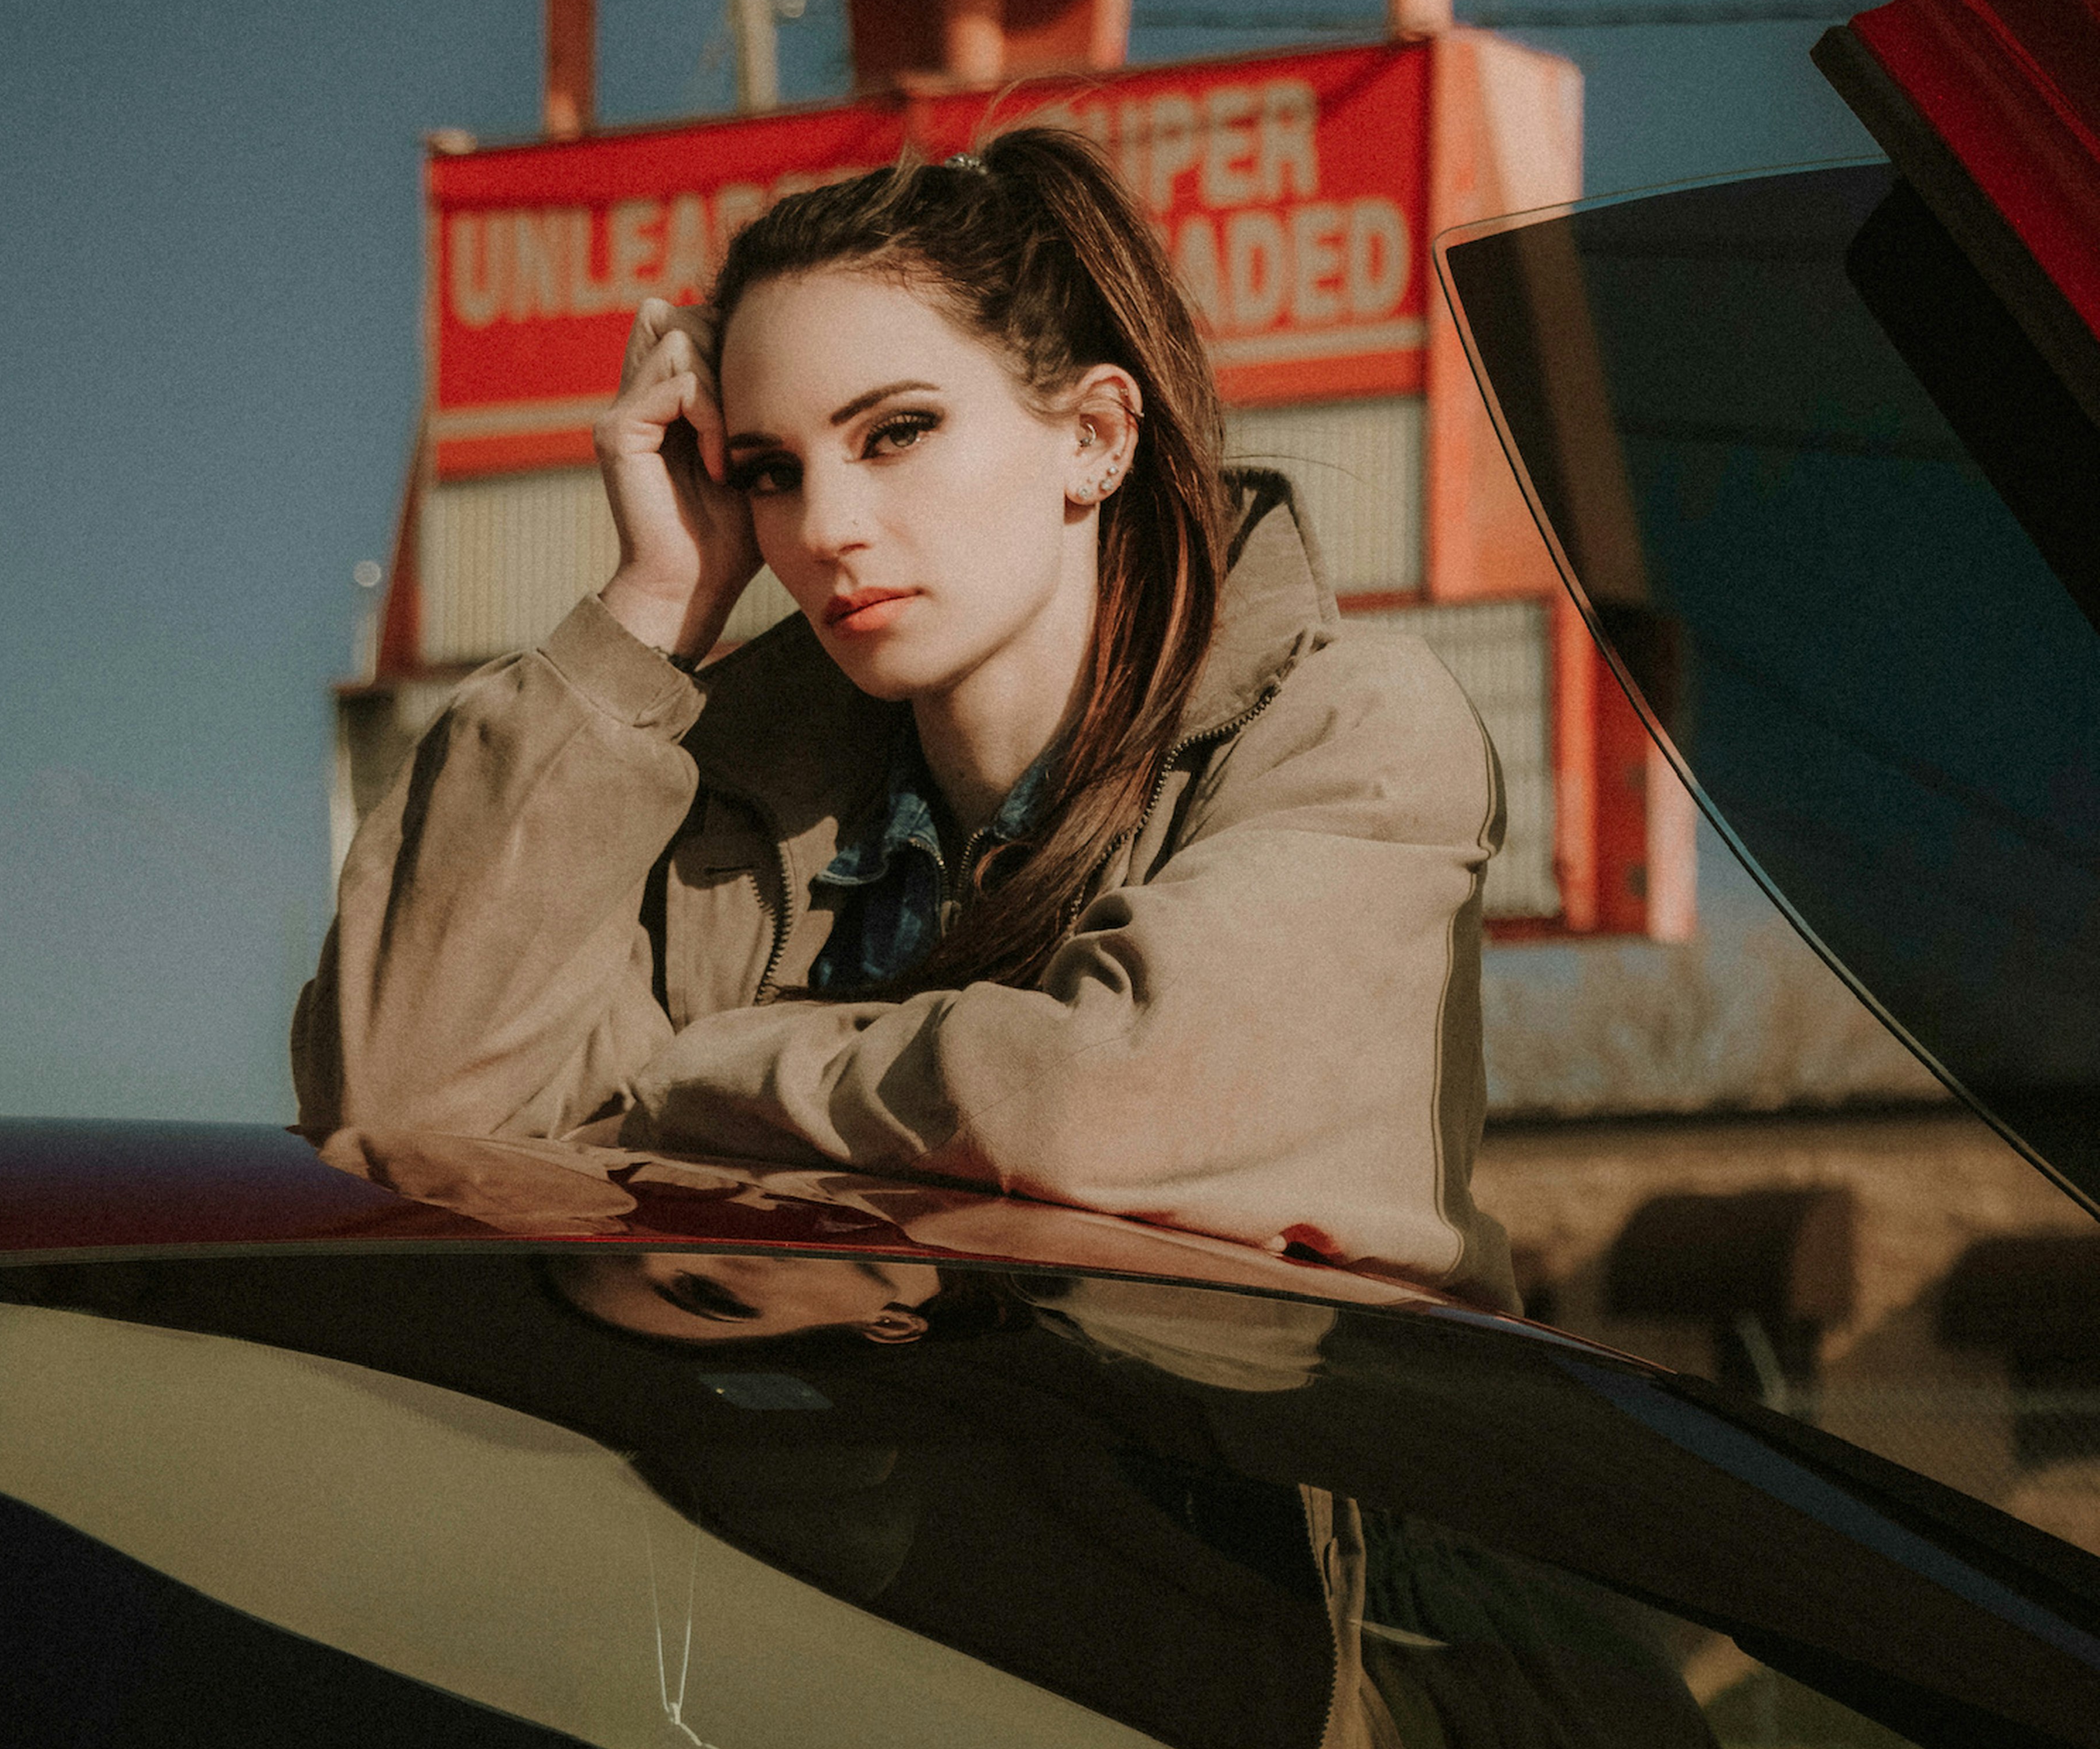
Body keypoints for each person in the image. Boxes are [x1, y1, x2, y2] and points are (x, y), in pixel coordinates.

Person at [294, 128, 1513, 1303]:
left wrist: (676, 1084)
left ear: (1093, 436)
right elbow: (399, 1118)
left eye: (896, 432)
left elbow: (1097, 1105)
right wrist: (651, 607)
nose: (821, 528)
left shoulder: (1344, 724)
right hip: (814, 1496)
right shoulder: (711, 814)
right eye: (770, 470)